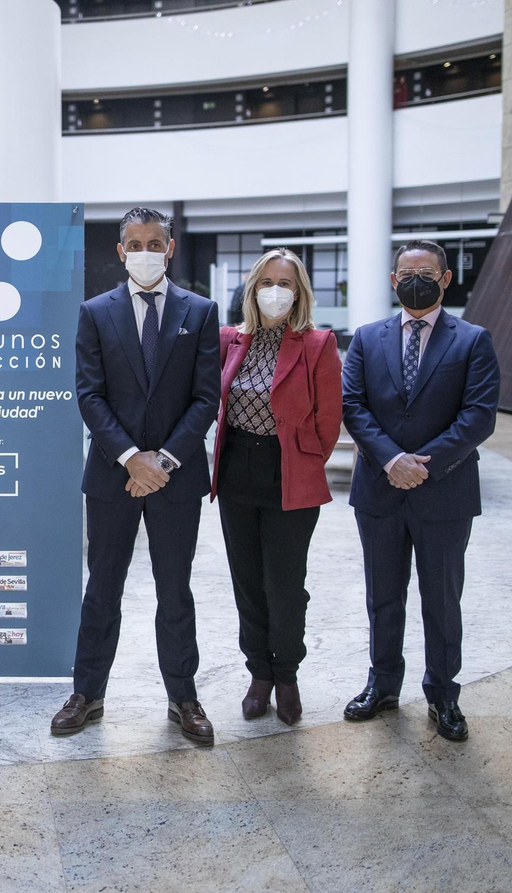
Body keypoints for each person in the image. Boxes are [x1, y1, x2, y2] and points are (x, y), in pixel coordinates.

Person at [51, 207, 221, 745]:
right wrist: (131, 458)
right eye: (134, 243)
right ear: (120, 250)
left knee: (175, 590)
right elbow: (90, 395)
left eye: (155, 242)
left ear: (169, 249)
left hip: (176, 477)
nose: (145, 251)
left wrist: (164, 460)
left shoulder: (201, 310)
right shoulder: (95, 313)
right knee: (103, 588)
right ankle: (87, 693)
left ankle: (183, 697)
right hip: (113, 476)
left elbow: (206, 397)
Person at [341, 240, 500, 742]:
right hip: (380, 490)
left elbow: (478, 416)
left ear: (445, 279)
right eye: (407, 273)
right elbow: (353, 406)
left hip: (445, 493)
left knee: (442, 598)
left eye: (426, 273)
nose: (416, 280)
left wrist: (423, 465)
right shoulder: (366, 339)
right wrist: (391, 459)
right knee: (382, 596)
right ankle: (382, 684)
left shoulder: (473, 340)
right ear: (393, 281)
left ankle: (443, 694)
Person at [210, 249, 341, 726]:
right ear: (252, 289)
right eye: (266, 281)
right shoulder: (229, 339)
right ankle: (258, 674)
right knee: (247, 582)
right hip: (236, 471)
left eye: (285, 282)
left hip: (290, 474)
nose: (275, 290)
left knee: (284, 585)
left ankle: (286, 675)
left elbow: (329, 423)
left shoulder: (317, 343)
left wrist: (303, 463)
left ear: (299, 291)